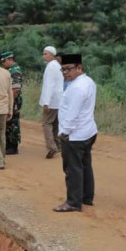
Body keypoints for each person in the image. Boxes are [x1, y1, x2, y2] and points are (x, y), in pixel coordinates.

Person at [53, 54, 99, 212]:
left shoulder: (77, 88)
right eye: (63, 69)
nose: (65, 73)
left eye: (69, 69)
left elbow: (72, 113)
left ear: (79, 68)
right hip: (88, 131)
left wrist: (64, 132)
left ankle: (73, 202)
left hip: (75, 134)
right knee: (85, 165)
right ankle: (86, 197)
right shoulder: (87, 82)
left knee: (72, 168)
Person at [39, 46, 63, 159]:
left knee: (46, 123)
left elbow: (49, 86)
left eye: (46, 54)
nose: (44, 56)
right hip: (59, 100)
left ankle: (52, 147)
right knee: (56, 124)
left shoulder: (50, 67)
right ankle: (58, 145)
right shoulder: (57, 66)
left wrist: (46, 102)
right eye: (43, 53)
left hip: (52, 100)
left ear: (52, 55)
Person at [1, 51, 23, 155]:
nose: (3, 64)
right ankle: (9, 145)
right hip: (10, 100)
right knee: (8, 122)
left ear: (10, 59)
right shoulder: (9, 70)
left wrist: (10, 102)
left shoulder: (15, 71)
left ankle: (13, 146)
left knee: (12, 123)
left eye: (4, 61)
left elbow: (16, 90)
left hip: (13, 101)